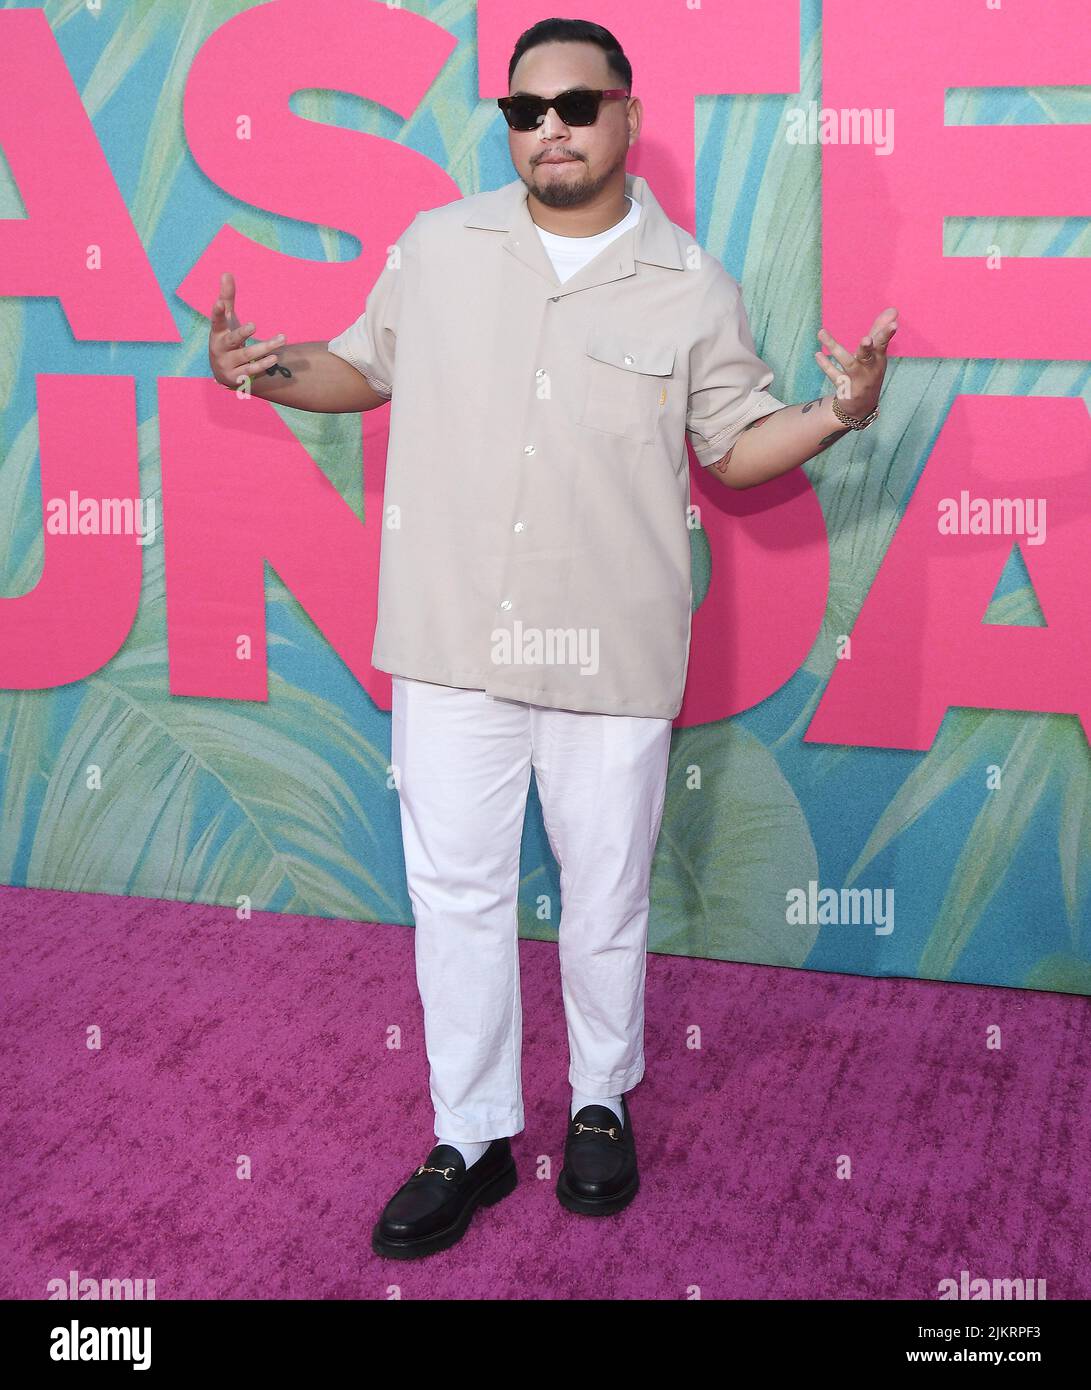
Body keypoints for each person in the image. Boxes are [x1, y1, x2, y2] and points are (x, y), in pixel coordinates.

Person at [207, 17, 897, 1262]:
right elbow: (361, 369)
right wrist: (260, 371)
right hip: (448, 638)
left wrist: (838, 415)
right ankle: (467, 1135)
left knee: (604, 896)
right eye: (525, 111)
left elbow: (734, 448)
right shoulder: (438, 248)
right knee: (455, 893)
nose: (552, 129)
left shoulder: (693, 282)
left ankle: (596, 1102)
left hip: (609, 645)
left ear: (628, 115)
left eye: (576, 104)